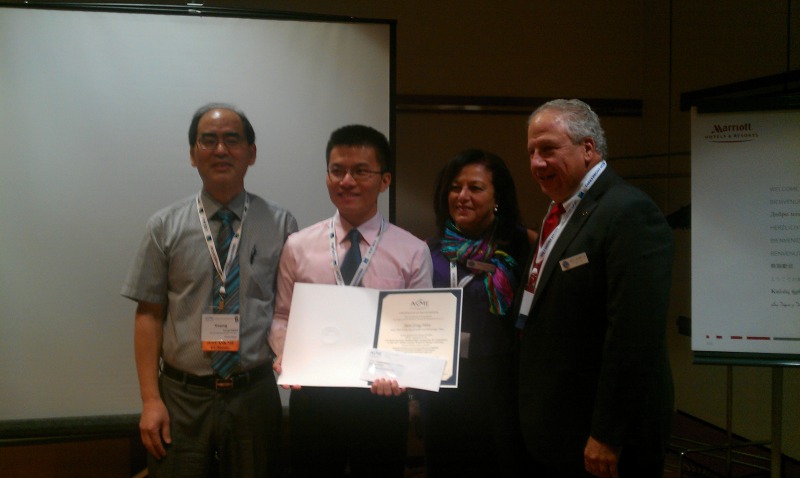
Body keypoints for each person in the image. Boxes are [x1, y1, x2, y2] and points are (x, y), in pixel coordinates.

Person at [121, 103, 298, 477]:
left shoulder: (281, 224)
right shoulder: (164, 226)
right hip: (182, 397)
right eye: (209, 141)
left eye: (232, 140)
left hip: (253, 394)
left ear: (251, 153)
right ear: (192, 154)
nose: (221, 150)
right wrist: (150, 400)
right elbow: (148, 316)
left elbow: (289, 311)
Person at [516, 99, 674, 478]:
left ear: (588, 148)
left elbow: (634, 335)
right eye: (532, 152)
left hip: (601, 435)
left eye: (548, 149)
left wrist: (607, 434)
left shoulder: (628, 212)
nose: (537, 163)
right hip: (562, 420)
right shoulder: (564, 207)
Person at [268, 124, 433, 478]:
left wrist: (401, 372)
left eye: (360, 171)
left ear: (384, 180)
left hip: (381, 400)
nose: (347, 181)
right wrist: (286, 354)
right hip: (314, 397)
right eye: (337, 170)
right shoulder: (298, 245)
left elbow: (418, 331)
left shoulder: (412, 251)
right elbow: (282, 315)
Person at [417, 149, 532, 477]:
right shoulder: (429, 251)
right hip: (443, 384)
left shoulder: (523, 246)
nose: (462, 196)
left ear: (497, 197)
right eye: (455, 187)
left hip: (502, 383)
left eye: (476, 188)